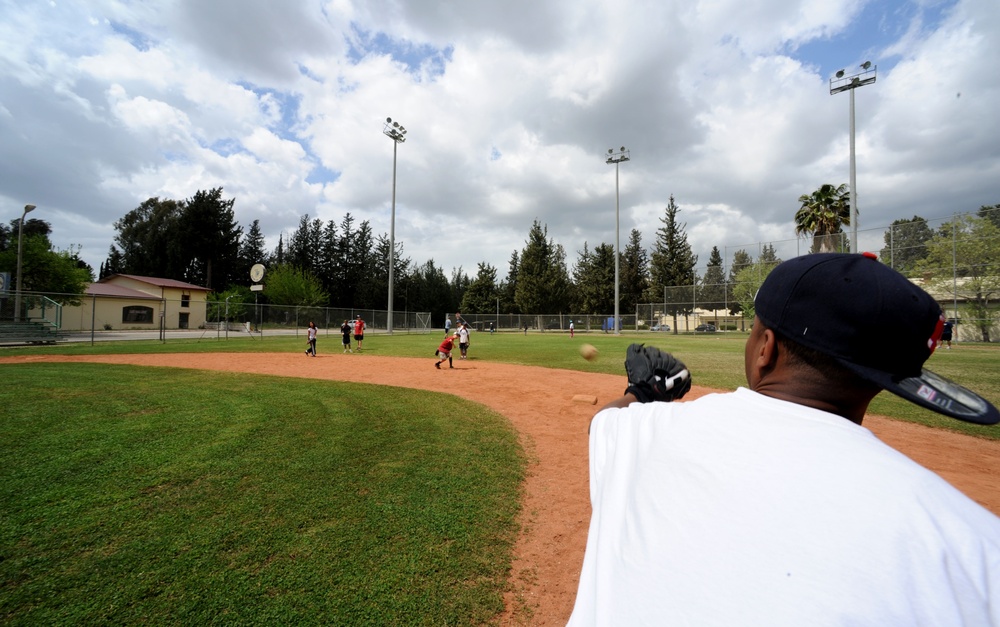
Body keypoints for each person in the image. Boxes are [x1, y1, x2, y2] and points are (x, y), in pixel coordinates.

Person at [568, 253, 1000, 626]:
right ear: (885, 380)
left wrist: (643, 394)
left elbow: (605, 425)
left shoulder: (648, 434)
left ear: (765, 349)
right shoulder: (973, 547)